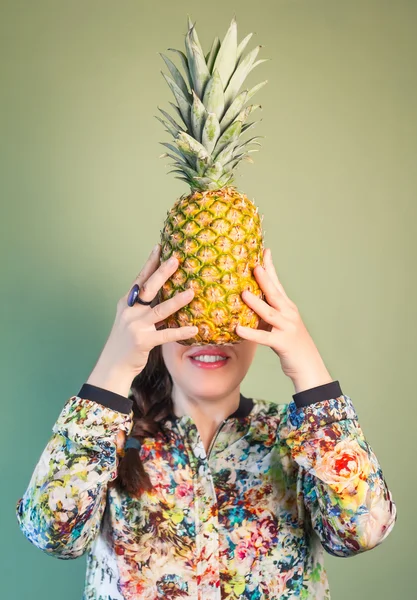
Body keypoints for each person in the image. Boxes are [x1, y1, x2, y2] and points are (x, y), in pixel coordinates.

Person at [16, 243, 397, 600]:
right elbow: (51, 532)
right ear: (157, 324)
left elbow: (363, 530)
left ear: (262, 321)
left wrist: (308, 368)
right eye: (190, 312)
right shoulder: (112, 440)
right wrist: (112, 369)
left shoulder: (299, 439)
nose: (210, 333)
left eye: (228, 310)